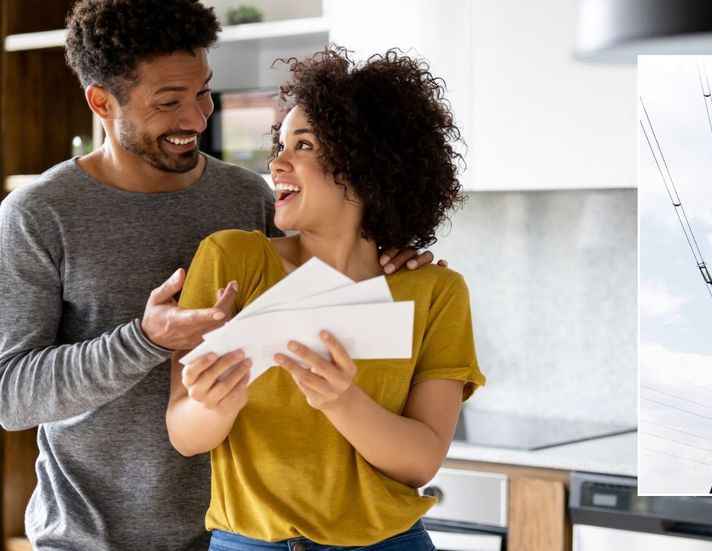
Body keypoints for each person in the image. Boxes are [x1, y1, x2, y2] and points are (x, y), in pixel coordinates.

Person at [0, 1, 432, 548]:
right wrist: (144, 340)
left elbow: (327, 270)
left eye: (202, 91)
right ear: (102, 102)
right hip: (92, 536)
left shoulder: (245, 198)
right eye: (168, 102)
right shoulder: (40, 213)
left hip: (236, 534)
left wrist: (390, 262)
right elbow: (11, 396)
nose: (196, 119)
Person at [166, 46, 484, 550]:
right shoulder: (232, 260)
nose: (278, 161)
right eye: (281, 143)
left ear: (366, 162)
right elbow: (185, 434)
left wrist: (342, 399)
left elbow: (422, 460)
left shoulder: (434, 291)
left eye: (305, 145)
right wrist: (213, 403)